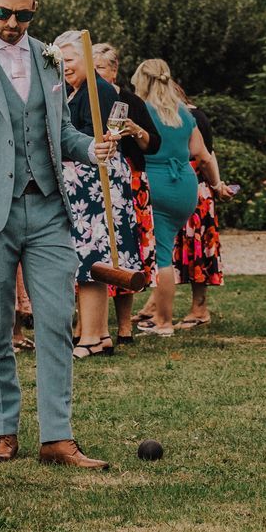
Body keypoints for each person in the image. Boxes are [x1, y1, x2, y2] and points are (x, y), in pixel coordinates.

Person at [0, 0, 119, 470]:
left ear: (34, 10)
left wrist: (91, 147)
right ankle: (4, 431)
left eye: (23, 15)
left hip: (48, 207)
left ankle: (58, 437)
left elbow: (59, 132)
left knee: (55, 319)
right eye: (3, 12)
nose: (12, 23)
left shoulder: (49, 58)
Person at [56, 30, 153, 359]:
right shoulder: (79, 90)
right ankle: (96, 334)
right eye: (61, 61)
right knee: (87, 262)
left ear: (86, 60)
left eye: (69, 60)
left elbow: (94, 138)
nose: (64, 66)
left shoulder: (96, 92)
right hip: (89, 184)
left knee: (91, 259)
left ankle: (94, 336)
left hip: (94, 186)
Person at [134, 57, 229, 336]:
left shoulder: (142, 112)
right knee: (167, 248)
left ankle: (163, 322)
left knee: (162, 255)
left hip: (157, 183)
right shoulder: (184, 114)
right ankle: (160, 315)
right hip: (185, 187)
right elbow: (203, 155)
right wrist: (216, 184)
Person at [94, 42, 161, 345]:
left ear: (114, 69)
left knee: (126, 253)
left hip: (131, 182)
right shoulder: (84, 99)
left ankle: (124, 326)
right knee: (96, 253)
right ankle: (91, 324)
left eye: (99, 69)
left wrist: (135, 129)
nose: (95, 75)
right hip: (95, 181)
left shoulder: (130, 101)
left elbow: (153, 143)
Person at [175, 103, 226, 328]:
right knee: (170, 253)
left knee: (198, 252)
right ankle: (154, 308)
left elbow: (207, 156)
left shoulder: (193, 117)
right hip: (178, 190)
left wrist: (217, 184)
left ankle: (200, 309)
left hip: (197, 193)